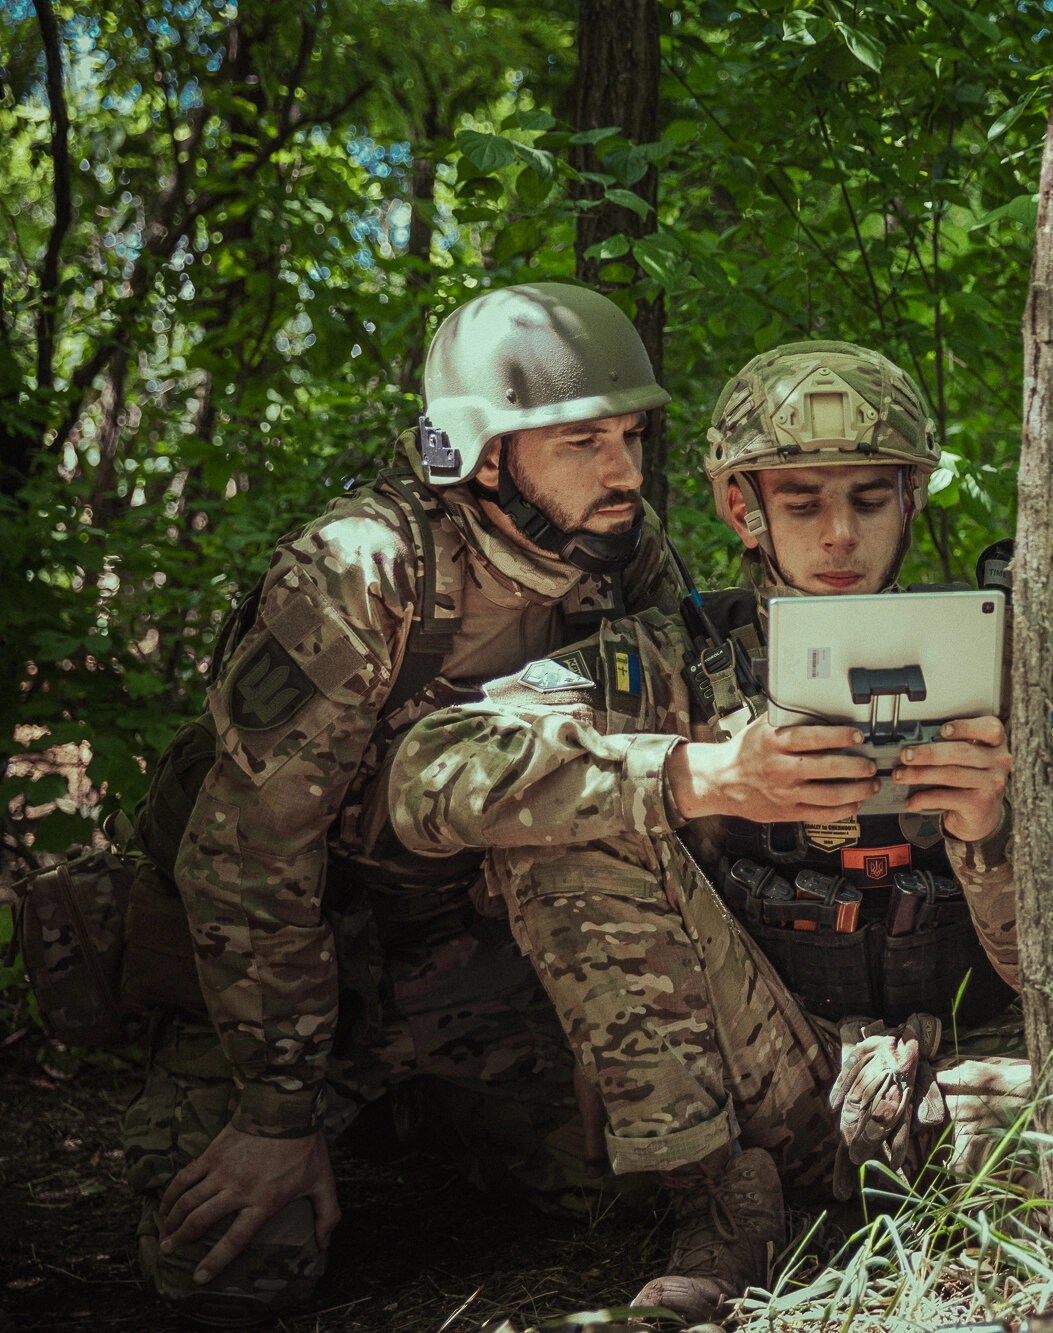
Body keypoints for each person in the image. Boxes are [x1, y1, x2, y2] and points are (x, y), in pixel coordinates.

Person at [385, 340, 1053, 1324]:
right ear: (743, 508)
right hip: (758, 1091)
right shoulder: (670, 667)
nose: (837, 536)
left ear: (912, 499)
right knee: (563, 822)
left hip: (958, 1085)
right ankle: (717, 1208)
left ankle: (971, 1233)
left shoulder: (1015, 681)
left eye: (868, 499)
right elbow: (429, 772)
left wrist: (989, 837)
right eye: (800, 501)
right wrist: (692, 775)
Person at [122, 282, 689, 1326]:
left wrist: (613, 1025)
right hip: (286, 956)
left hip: (457, 946)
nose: (625, 472)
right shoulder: (360, 571)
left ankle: (414, 1104)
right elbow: (246, 856)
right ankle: (320, 1099)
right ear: (481, 455)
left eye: (630, 435)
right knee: (235, 1267)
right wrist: (276, 1108)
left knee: (615, 1189)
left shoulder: (625, 555)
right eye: (580, 442)